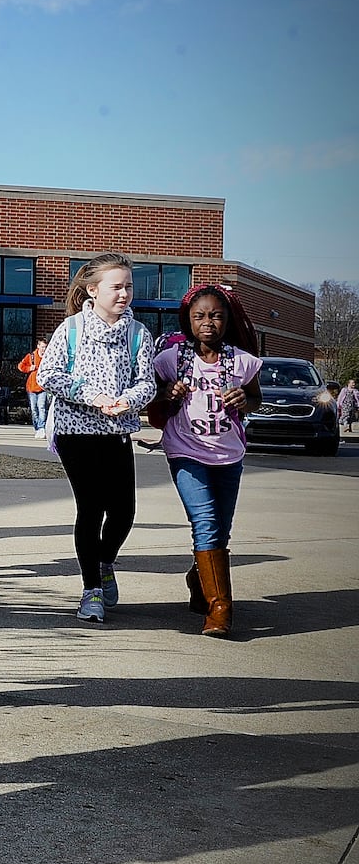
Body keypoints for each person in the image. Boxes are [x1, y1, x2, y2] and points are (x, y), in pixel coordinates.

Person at [36, 253, 157, 623]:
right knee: (91, 508)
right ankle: (91, 591)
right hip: (76, 433)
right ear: (93, 289)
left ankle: (105, 563)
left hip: (116, 433)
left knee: (123, 511)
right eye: (116, 287)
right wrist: (94, 396)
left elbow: (147, 382)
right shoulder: (70, 329)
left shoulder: (139, 334)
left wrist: (128, 400)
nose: (124, 294)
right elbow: (48, 375)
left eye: (128, 287)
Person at [148, 285, 262, 636]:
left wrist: (245, 398)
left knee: (220, 530)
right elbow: (154, 402)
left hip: (228, 454)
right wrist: (168, 392)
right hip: (185, 451)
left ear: (227, 320)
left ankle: (199, 580)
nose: (208, 322)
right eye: (200, 316)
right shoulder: (172, 358)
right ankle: (220, 609)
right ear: (188, 320)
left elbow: (256, 400)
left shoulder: (241, 361)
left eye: (215, 315)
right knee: (206, 520)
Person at [18, 337, 49, 437]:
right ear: (38, 346)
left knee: (42, 407)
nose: (44, 349)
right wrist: (29, 368)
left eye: (45, 347)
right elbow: (20, 366)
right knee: (33, 409)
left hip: (43, 387)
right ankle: (37, 427)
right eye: (43, 347)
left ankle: (42, 427)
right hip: (31, 387)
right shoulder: (31, 356)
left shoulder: (48, 357)